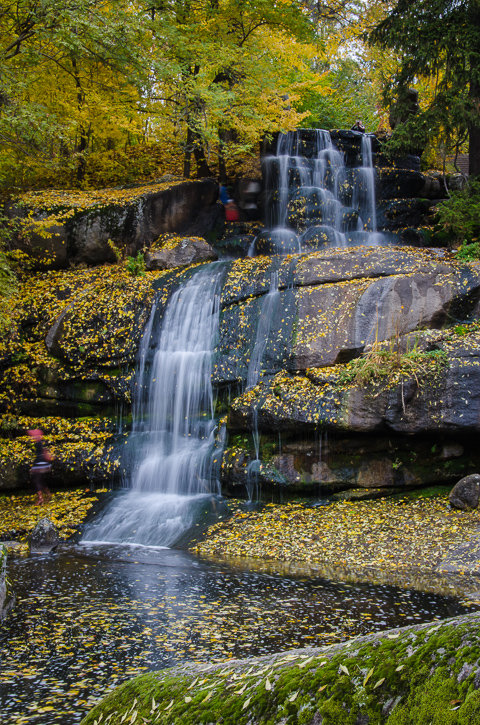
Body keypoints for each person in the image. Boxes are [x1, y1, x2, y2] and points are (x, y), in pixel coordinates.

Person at [28, 429, 53, 505]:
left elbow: (43, 453)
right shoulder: (42, 443)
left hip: (39, 464)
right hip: (43, 463)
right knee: (40, 480)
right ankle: (48, 494)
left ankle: (40, 499)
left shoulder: (38, 443)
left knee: (37, 480)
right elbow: (45, 452)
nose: (32, 437)